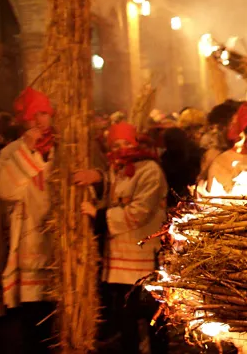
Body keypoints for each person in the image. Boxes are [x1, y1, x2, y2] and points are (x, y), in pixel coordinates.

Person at [75, 122, 168, 354]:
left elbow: (140, 211)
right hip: (119, 262)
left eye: (126, 143)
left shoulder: (150, 170)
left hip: (145, 258)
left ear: (136, 143)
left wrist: (98, 214)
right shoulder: (117, 169)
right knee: (126, 319)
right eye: (116, 145)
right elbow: (110, 186)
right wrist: (96, 176)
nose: (122, 149)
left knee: (152, 316)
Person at [0, 88, 56, 353]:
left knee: (58, 317)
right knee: (33, 318)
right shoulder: (11, 152)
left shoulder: (66, 148)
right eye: (33, 115)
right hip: (29, 241)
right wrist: (28, 151)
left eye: (43, 113)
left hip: (59, 243)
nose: (38, 121)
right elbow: (6, 190)